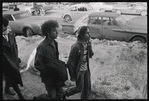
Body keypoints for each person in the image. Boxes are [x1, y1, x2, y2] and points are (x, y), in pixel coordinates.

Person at [34, 20, 68, 99]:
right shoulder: (42, 47)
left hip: (56, 75)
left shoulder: (55, 43)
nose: (56, 32)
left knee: (60, 93)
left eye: (56, 30)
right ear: (48, 33)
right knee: (52, 96)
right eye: (54, 31)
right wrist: (48, 71)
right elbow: (37, 64)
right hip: (48, 77)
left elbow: (55, 59)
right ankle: (38, 98)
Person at [64, 26, 94, 99]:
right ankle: (64, 93)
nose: (89, 35)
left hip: (86, 70)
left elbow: (90, 55)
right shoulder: (75, 47)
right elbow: (70, 63)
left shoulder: (87, 44)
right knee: (79, 88)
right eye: (87, 33)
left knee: (87, 88)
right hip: (79, 71)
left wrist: (90, 47)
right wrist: (73, 76)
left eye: (89, 33)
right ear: (82, 35)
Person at [2, 16, 24, 100]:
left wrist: (17, 57)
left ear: (4, 25)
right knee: (13, 78)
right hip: (5, 63)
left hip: (14, 60)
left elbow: (15, 46)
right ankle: (20, 95)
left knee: (10, 77)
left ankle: (7, 89)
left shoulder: (11, 34)